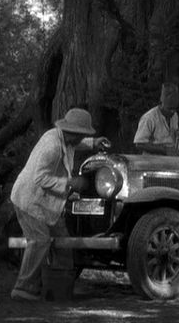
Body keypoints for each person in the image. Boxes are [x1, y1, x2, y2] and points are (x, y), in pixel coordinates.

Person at [10, 108, 110, 301]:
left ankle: (60, 286)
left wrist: (93, 143)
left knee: (63, 242)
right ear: (73, 132)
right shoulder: (52, 147)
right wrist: (70, 183)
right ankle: (23, 288)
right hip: (29, 200)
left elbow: (76, 145)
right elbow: (40, 178)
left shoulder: (63, 137)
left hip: (47, 204)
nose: (82, 138)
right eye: (82, 135)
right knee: (39, 240)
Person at [133, 82, 179, 155]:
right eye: (169, 109)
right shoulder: (149, 118)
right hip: (152, 160)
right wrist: (164, 150)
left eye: (174, 109)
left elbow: (173, 135)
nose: (172, 112)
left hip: (170, 159)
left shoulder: (175, 116)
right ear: (162, 104)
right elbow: (139, 144)